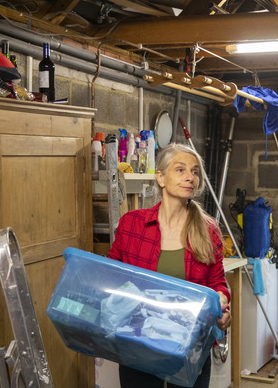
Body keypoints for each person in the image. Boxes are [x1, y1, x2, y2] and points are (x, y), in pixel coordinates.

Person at [108, 143, 232, 388]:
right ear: (161, 177)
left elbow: (217, 281)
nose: (190, 177)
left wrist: (222, 302)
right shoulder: (131, 224)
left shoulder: (208, 231)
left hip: (189, 345)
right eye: (181, 170)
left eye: (195, 172)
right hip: (138, 343)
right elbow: (111, 276)